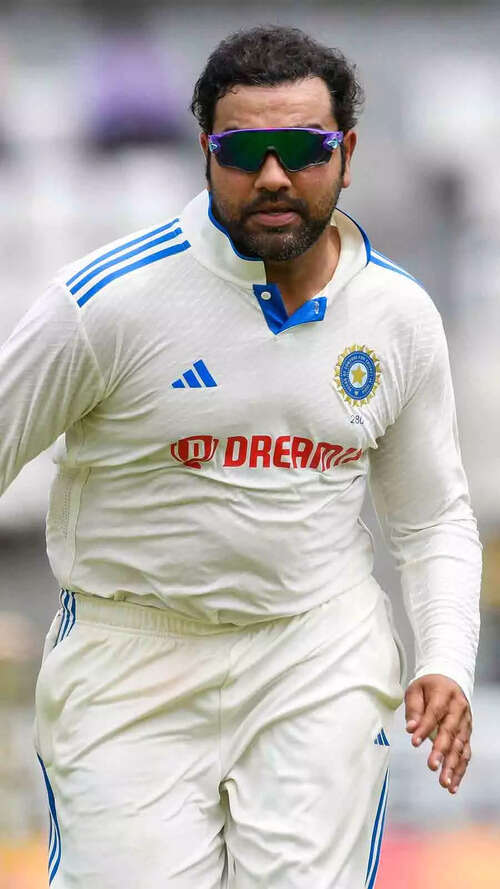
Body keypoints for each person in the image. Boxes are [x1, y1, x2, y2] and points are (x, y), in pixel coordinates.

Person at [0, 25, 481, 889]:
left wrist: (445, 656)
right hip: (131, 661)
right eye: (242, 151)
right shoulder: (107, 303)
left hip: (316, 653)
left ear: (346, 154)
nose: (272, 176)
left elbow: (434, 516)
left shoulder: (397, 315)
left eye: (300, 149)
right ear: (204, 154)